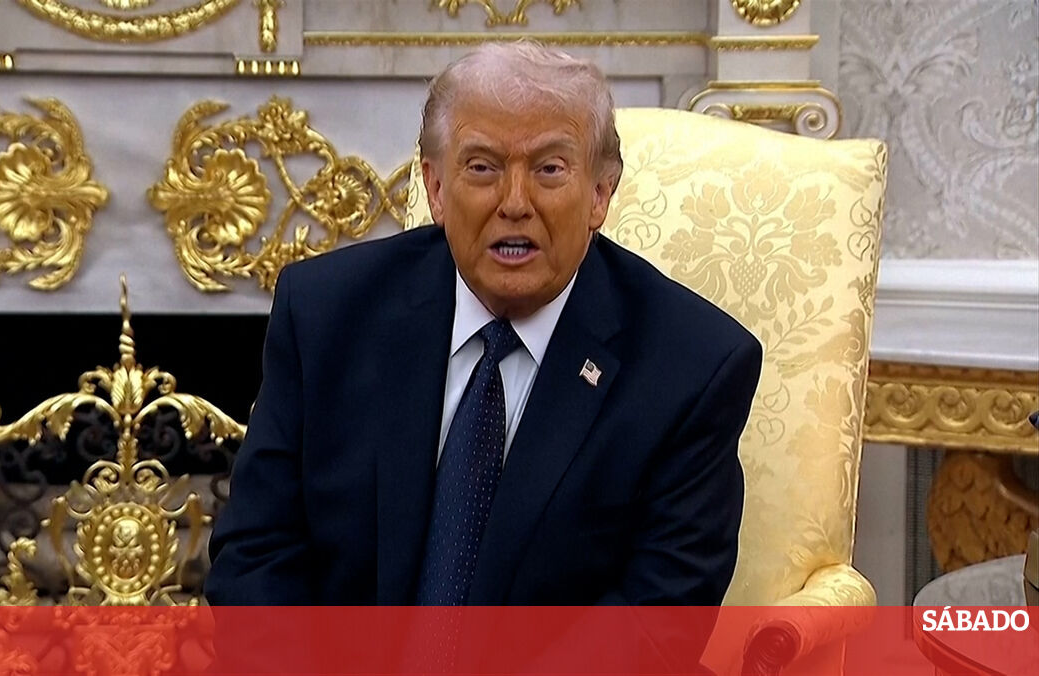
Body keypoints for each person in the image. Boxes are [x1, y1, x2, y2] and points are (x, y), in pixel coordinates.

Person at [206, 42, 762, 607]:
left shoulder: (692, 369)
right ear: (436, 188)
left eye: (549, 169)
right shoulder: (326, 313)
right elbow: (255, 555)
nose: (515, 203)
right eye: (482, 168)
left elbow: (658, 619)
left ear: (600, 194)